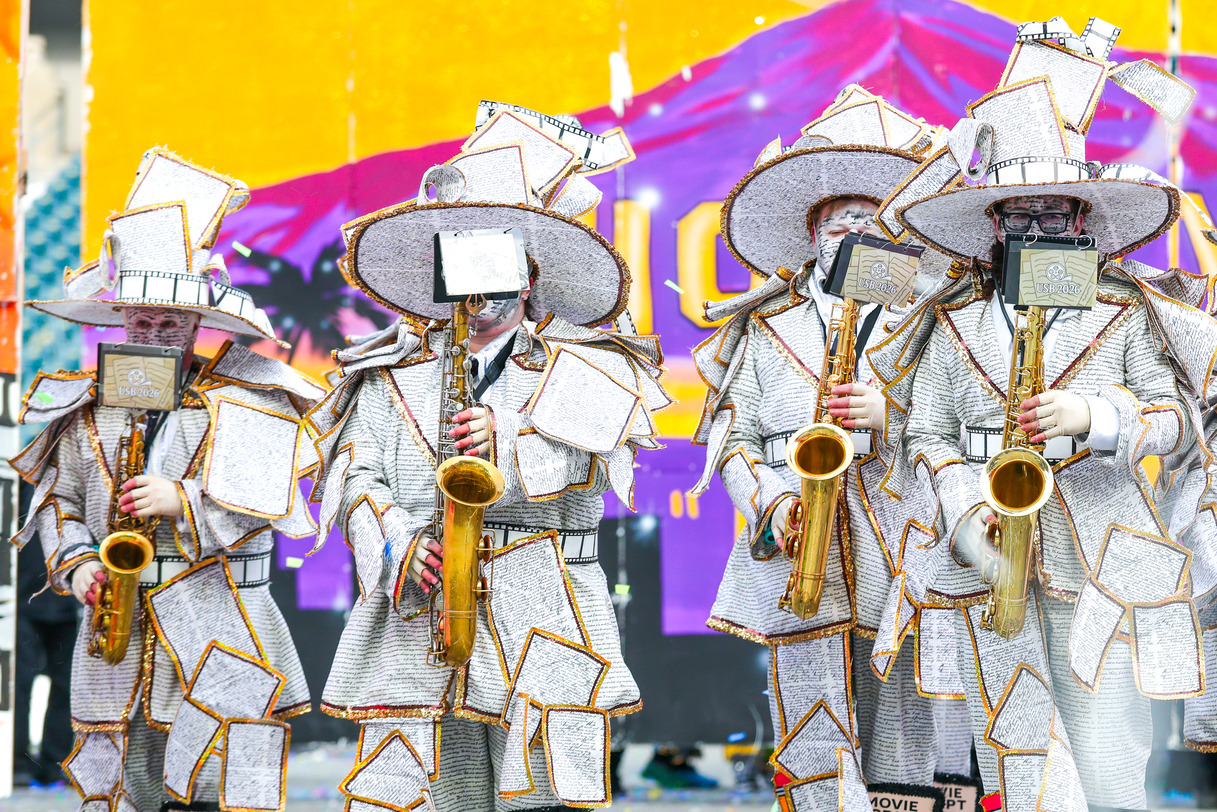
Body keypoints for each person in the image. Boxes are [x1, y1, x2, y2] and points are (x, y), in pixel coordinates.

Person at [881, 18, 1213, 809]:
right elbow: (923, 431)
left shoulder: (1124, 313)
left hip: (1098, 551)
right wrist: (963, 506)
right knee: (1012, 737)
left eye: (1052, 214)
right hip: (982, 551)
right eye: (1016, 214)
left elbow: (1175, 418)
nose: (1034, 229)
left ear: (1081, 220)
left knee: (1107, 749)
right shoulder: (952, 321)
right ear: (991, 224)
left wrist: (1094, 415)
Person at [308, 106, 669, 811]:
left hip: (546, 599)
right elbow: (352, 471)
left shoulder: (590, 362)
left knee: (540, 792)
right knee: (428, 792)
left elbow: (597, 464)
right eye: (461, 261)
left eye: (492, 262)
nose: (475, 285)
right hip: (421, 603)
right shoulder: (388, 369)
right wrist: (396, 542)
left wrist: (507, 437)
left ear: (528, 275)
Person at [11, 148, 324, 812]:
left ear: (197, 325)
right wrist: (77, 564)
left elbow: (268, 495)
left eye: (170, 322)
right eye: (141, 320)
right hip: (116, 623)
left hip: (219, 615)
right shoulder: (85, 406)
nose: (153, 333)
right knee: (123, 783)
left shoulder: (251, 396)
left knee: (215, 780)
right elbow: (59, 498)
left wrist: (183, 500)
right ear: (121, 320)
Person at [689, 86, 972, 810]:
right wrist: (771, 501)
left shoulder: (928, 315)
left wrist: (892, 414)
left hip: (902, 541)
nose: (853, 227)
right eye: (838, 216)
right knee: (812, 727)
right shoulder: (763, 325)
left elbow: (962, 418)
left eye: (869, 215)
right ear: (812, 230)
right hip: (797, 544)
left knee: (905, 724)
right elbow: (731, 437)